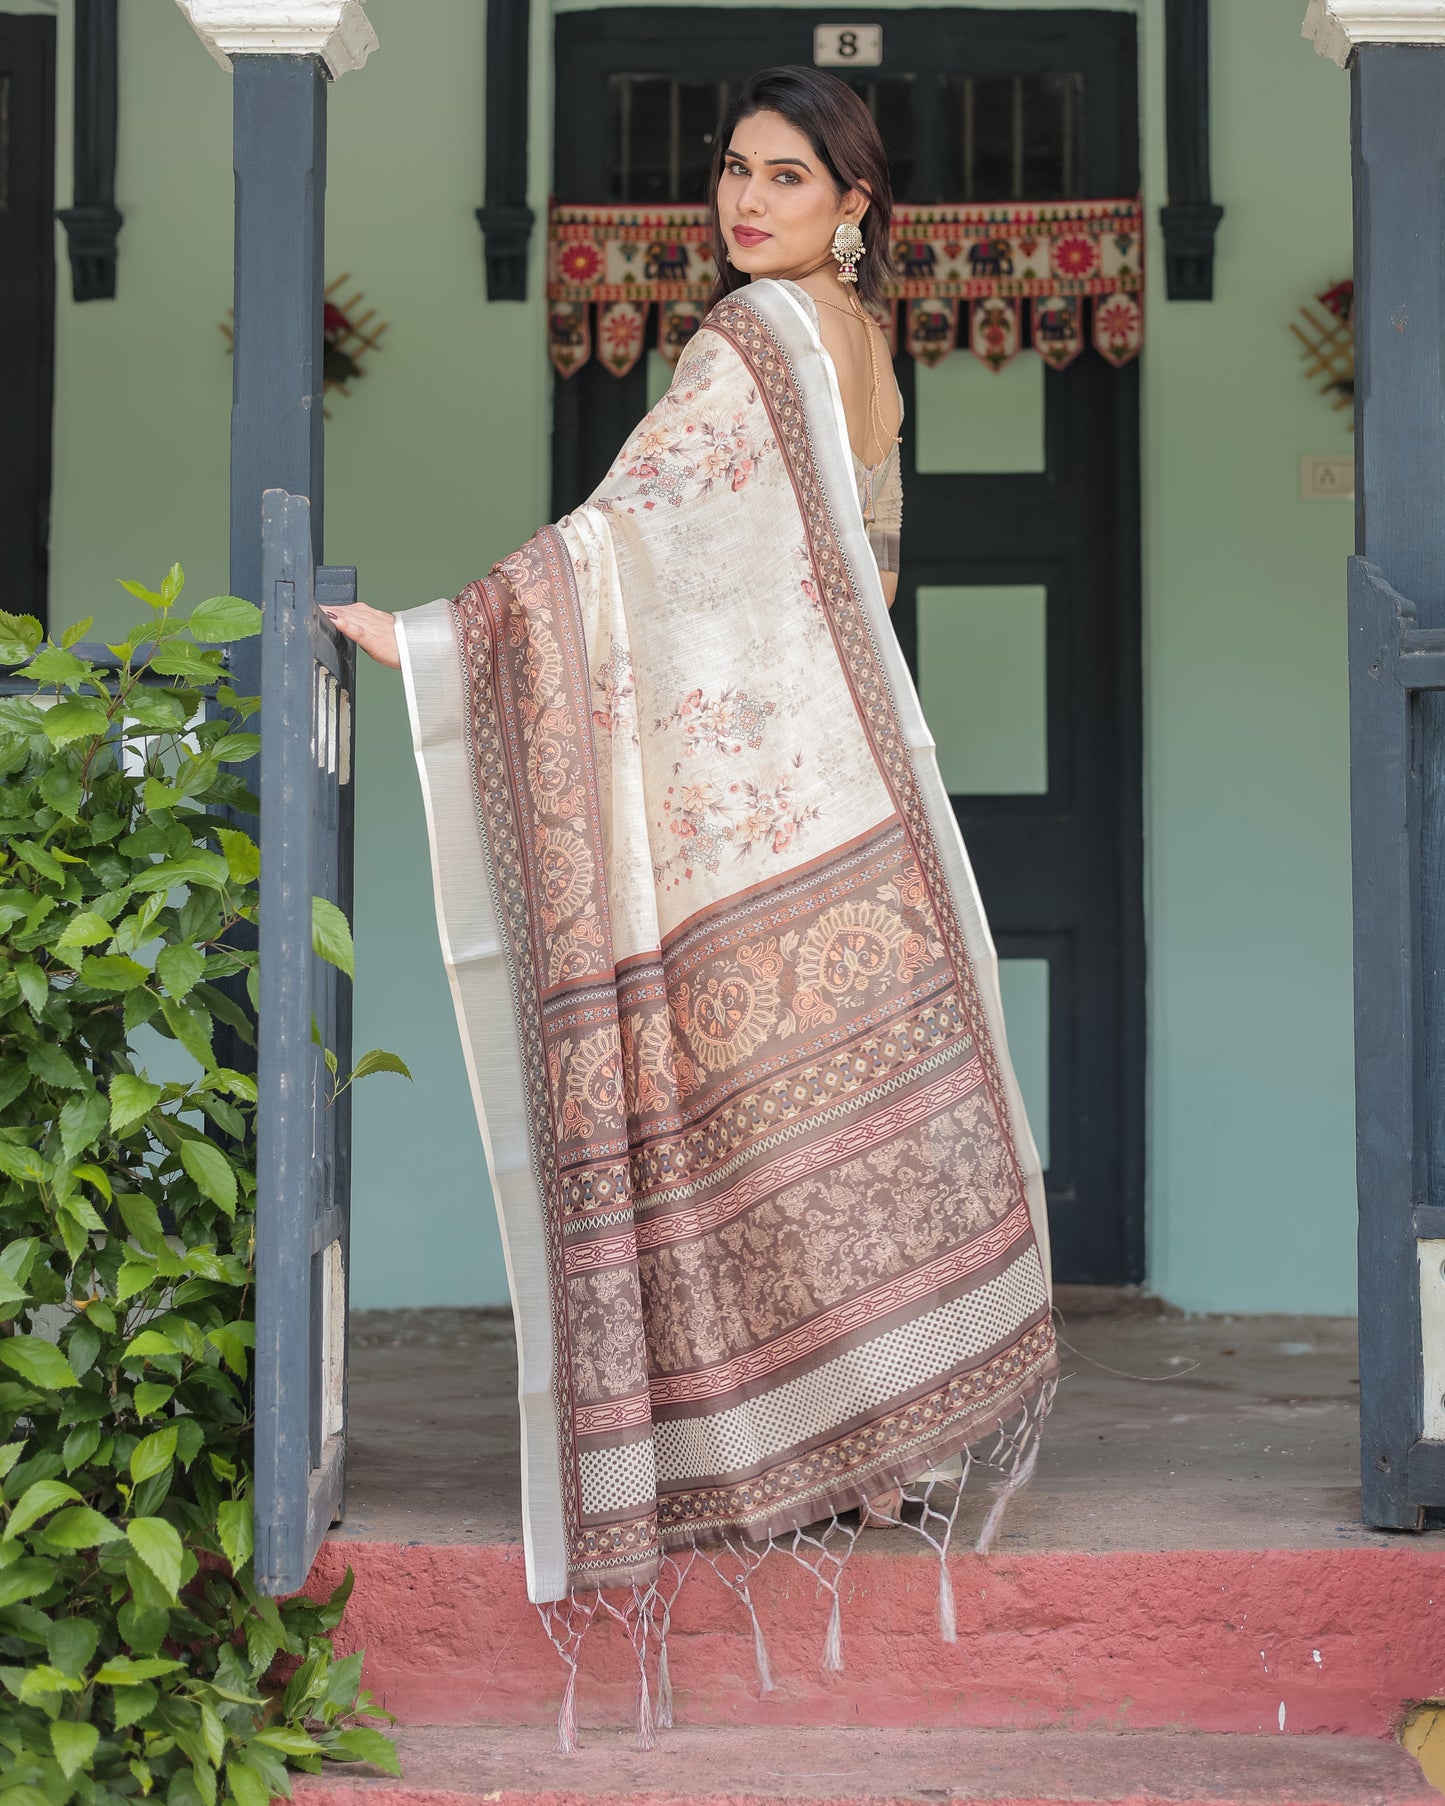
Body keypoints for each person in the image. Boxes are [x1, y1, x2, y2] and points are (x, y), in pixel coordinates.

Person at [325, 66, 1056, 1697]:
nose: (747, 202)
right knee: (823, 1110)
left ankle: (821, 1438)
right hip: (850, 781)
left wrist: (441, 638)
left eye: (787, 178)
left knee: (755, 1101)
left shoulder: (752, 339)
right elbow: (864, 568)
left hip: (764, 808)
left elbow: (626, 537)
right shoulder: (863, 345)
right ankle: (887, 1439)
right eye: (735, 170)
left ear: (852, 205)